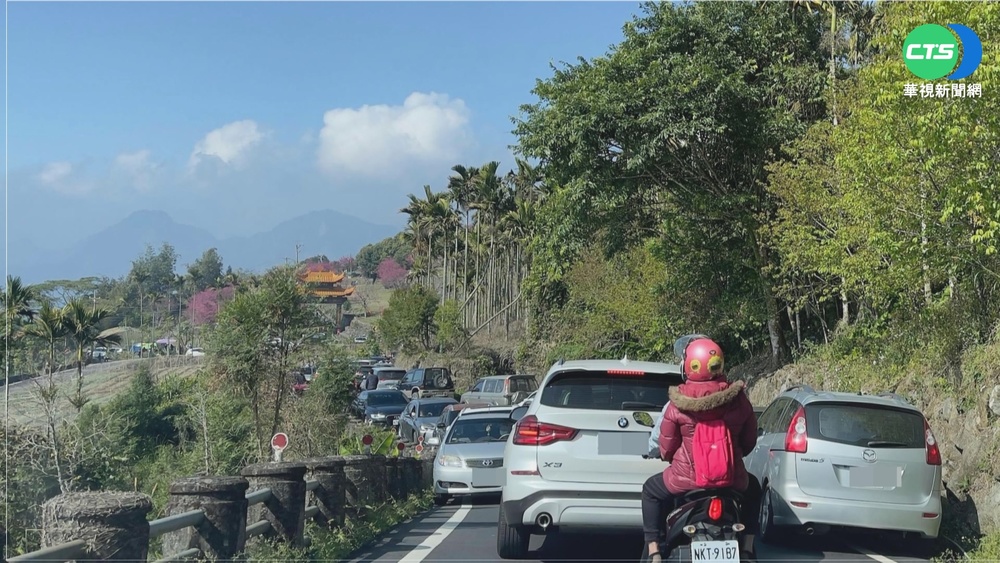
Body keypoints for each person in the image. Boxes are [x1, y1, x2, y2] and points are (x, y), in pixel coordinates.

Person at [641, 336, 759, 563]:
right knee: (754, 489)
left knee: (650, 491)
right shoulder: (739, 399)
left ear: (688, 366)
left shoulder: (678, 402)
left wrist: (673, 458)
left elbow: (666, 448)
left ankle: (654, 551)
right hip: (732, 480)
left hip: (684, 481)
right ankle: (747, 547)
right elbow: (749, 441)